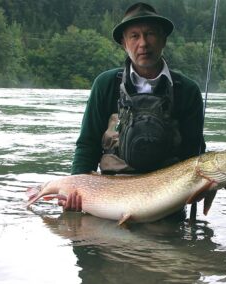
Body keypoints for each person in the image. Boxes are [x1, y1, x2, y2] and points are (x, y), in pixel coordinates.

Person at [60, 2, 206, 211]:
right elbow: (87, 145)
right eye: (134, 36)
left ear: (164, 39)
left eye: (150, 34)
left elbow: (193, 154)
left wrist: (203, 187)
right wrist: (76, 189)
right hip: (110, 197)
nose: (143, 43)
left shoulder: (187, 90)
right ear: (124, 43)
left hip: (165, 202)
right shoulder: (106, 84)